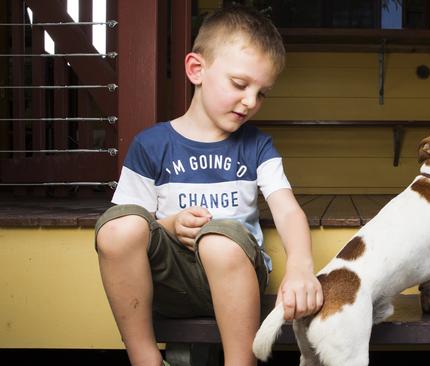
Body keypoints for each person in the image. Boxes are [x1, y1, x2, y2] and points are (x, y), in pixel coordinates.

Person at [94, 5, 323, 366]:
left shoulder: (257, 146)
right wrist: (169, 226)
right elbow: (130, 227)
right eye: (239, 84)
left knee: (219, 240)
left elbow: (286, 208)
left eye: (262, 93)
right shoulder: (151, 145)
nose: (250, 101)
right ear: (196, 69)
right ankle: (145, 359)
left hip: (236, 275)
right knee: (117, 227)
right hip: (168, 281)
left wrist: (300, 265)